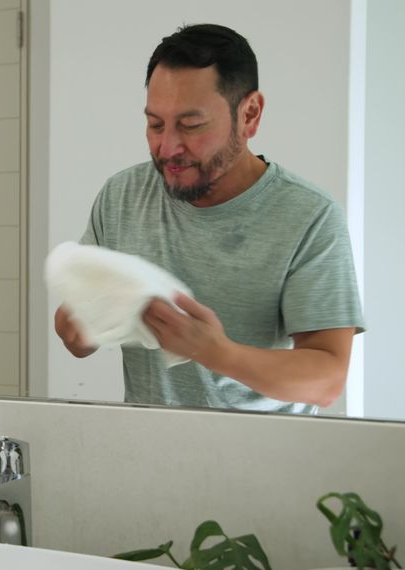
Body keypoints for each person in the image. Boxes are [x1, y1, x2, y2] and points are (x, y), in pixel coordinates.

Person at [54, 23, 364, 414]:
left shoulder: (310, 216)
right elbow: (76, 339)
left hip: (268, 466)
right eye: (155, 124)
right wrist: (82, 322)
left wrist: (213, 351)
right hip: (144, 460)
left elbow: (326, 378)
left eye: (191, 125)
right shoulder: (122, 195)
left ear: (249, 114)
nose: (168, 147)